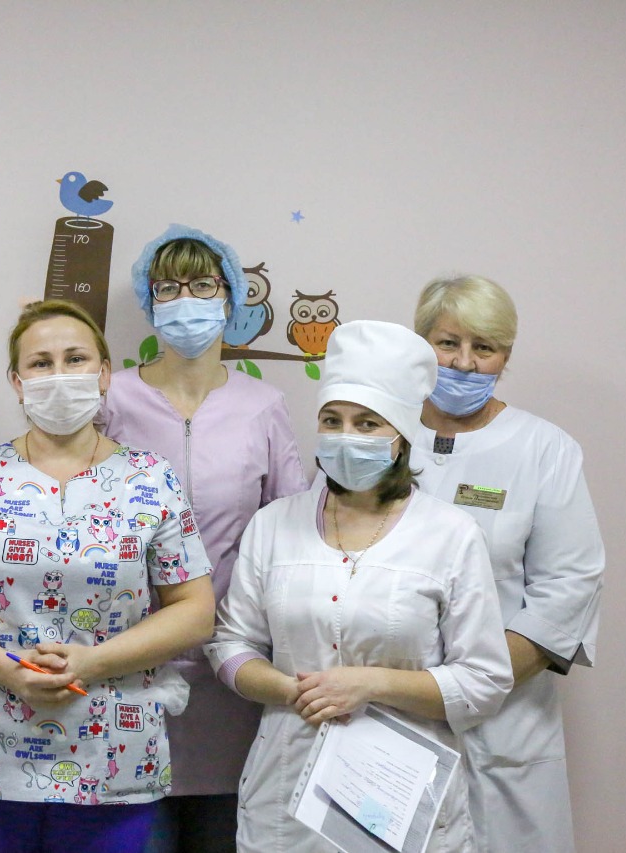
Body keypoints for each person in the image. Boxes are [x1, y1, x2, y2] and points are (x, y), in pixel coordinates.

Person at [0, 299, 217, 853]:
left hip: (112, 752)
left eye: (75, 359)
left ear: (103, 373)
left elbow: (195, 612)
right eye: (40, 363)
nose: (59, 375)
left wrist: (93, 662)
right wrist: (9, 670)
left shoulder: (151, 480)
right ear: (17, 382)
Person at [206, 320, 513, 852]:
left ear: (400, 436)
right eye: (333, 420)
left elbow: (484, 680)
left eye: (367, 423)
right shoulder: (274, 524)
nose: (346, 436)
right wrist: (291, 691)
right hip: (286, 790)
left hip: (402, 794)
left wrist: (370, 685)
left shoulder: (450, 534)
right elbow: (229, 646)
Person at [99, 224, 306, 852]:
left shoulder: (262, 406)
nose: (185, 300)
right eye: (168, 287)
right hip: (127, 662)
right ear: (150, 301)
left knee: (222, 833)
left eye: (202, 285)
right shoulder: (113, 400)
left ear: (230, 296)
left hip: (233, 671)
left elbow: (291, 533)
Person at [412, 275, 604, 853]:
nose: (464, 363)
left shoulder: (544, 449)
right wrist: (408, 691)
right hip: (389, 708)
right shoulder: (377, 433)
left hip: (503, 716)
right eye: (448, 343)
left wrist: (472, 685)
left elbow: (568, 587)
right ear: (421, 343)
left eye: (485, 347)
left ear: (507, 355)